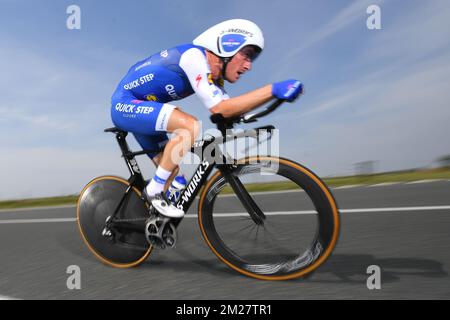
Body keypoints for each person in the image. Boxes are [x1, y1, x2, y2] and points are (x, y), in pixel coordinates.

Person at [111, 19, 303, 218]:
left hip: (144, 107)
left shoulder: (214, 78)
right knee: (190, 126)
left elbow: (229, 111)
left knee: (172, 172)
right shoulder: (194, 57)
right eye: (247, 55)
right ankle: (153, 191)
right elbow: (220, 108)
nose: (249, 66)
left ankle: (146, 223)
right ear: (228, 45)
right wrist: (273, 89)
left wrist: (258, 115)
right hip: (125, 104)